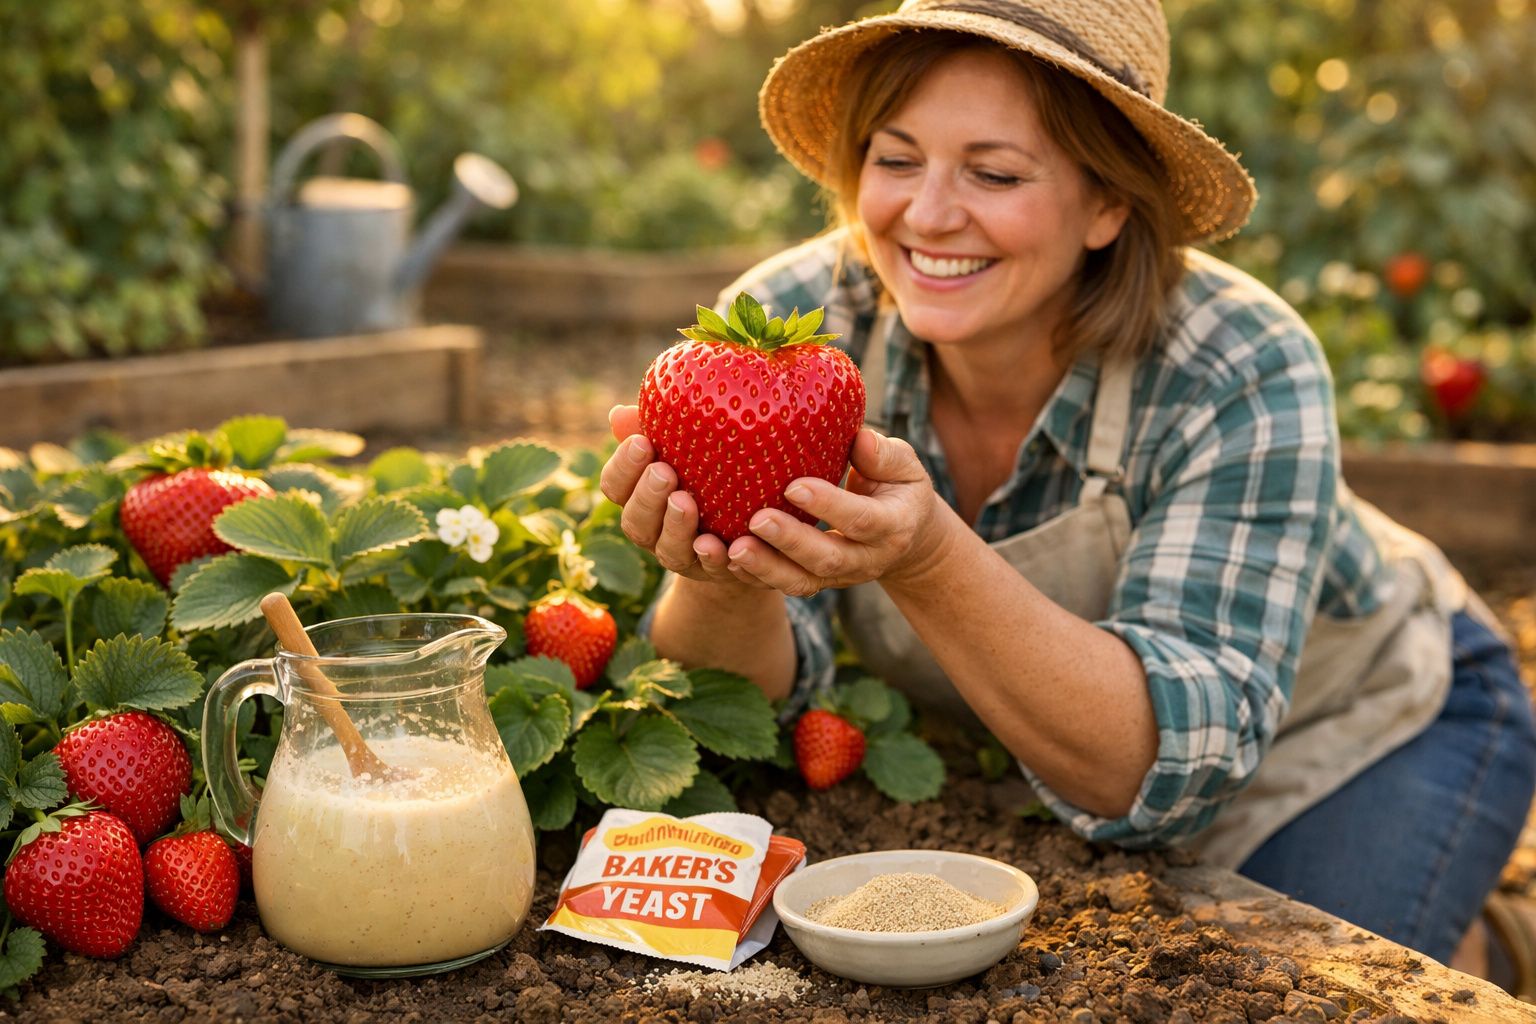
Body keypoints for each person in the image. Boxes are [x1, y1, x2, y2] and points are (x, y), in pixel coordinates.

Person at [598, 0, 1536, 977]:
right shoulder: (790, 331)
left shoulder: (1237, 359)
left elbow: (1153, 773)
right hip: (1043, 751)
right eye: (897, 156)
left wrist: (926, 553)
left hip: (1366, 718)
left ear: (1108, 201)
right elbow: (750, 705)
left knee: (1292, 986)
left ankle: (1488, 950)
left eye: (995, 172)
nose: (926, 214)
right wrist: (715, 572)